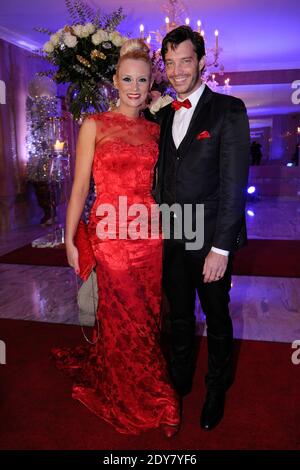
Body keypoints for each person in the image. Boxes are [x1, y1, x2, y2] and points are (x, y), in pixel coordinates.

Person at [52, 39, 180, 437]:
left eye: (142, 80)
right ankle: (149, 393)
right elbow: (78, 188)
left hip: (150, 234)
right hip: (110, 236)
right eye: (127, 78)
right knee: (125, 318)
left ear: (150, 84)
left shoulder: (156, 130)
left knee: (147, 315)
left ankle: (143, 382)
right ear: (114, 80)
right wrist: (70, 238)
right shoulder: (94, 124)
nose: (135, 87)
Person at [150, 26, 250, 431]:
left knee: (217, 315)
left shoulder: (228, 110)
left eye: (185, 61)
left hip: (209, 239)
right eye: (169, 63)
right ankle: (180, 380)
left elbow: (233, 187)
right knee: (177, 318)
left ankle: (216, 388)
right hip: (172, 236)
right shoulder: (160, 115)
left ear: (202, 62)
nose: (176, 71)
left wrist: (221, 249)